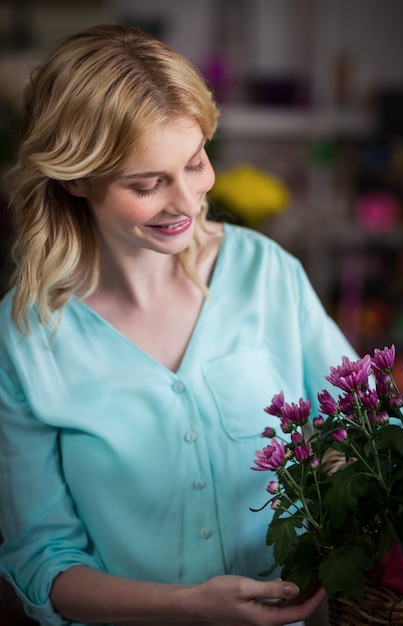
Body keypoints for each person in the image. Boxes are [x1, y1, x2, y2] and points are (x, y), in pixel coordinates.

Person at [0, 24, 357, 626]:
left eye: (195, 164)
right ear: (75, 178)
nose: (189, 202)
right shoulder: (25, 343)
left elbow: (364, 432)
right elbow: (41, 563)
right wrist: (188, 610)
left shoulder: (265, 274)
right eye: (147, 184)